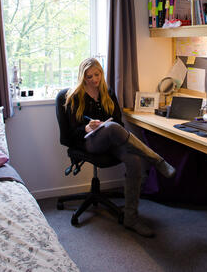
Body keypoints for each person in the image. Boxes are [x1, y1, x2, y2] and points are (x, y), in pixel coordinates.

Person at [64, 58, 176, 237]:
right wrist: (86, 127)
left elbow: (117, 121)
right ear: (82, 77)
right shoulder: (74, 97)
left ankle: (131, 218)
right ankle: (157, 160)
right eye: (89, 76)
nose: (94, 79)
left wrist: (107, 126)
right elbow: (68, 133)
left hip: (112, 141)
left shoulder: (107, 92)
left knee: (134, 160)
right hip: (89, 143)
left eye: (97, 74)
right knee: (112, 127)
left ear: (101, 72)